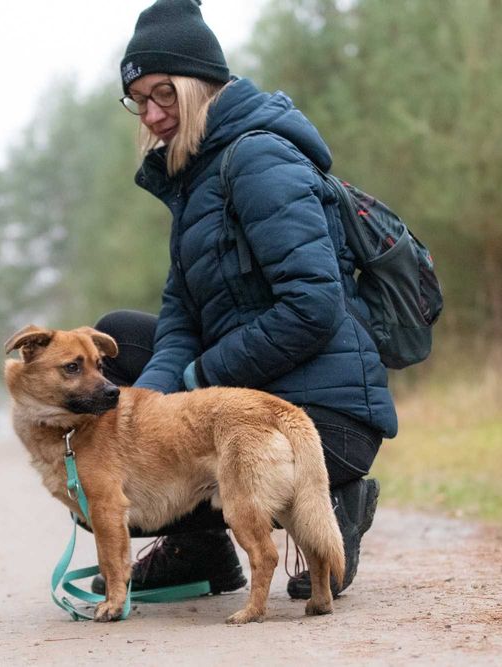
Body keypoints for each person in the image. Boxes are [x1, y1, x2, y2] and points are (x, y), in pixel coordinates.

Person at [90, 0, 397, 601]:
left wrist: (202, 377)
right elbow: (180, 317)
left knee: (170, 410)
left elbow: (313, 306)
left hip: (321, 417)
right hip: (250, 402)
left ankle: (337, 503)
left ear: (199, 85)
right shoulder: (193, 179)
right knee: (115, 345)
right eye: (139, 100)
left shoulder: (259, 160)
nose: (151, 115)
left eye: (164, 95)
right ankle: (200, 552)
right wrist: (149, 410)